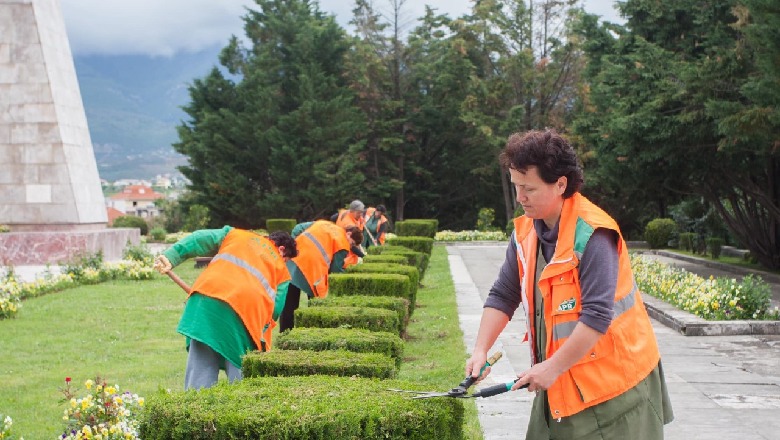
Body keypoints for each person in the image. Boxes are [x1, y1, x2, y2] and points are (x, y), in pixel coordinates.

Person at [465, 129, 673, 439]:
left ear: (561, 184)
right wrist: (480, 351)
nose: (520, 198)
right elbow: (503, 294)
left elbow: (596, 317)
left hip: (615, 387)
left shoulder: (594, 234)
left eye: (529, 189)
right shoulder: (525, 233)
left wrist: (550, 368)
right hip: (565, 378)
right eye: (516, 187)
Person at [153, 226, 298, 390]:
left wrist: (171, 257)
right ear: (281, 249)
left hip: (205, 305)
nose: (284, 263)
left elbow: (199, 238)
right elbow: (274, 311)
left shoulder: (236, 234)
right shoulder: (282, 272)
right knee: (242, 382)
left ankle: (195, 412)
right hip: (243, 319)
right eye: (286, 260)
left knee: (199, 380)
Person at [278, 220, 364, 333]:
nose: (350, 247)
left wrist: (296, 245)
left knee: (288, 304)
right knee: (316, 304)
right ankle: (312, 332)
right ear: (348, 234)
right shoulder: (342, 243)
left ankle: (285, 333)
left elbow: (298, 228)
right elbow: (336, 271)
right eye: (352, 244)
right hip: (312, 272)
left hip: (294, 261)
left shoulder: (324, 223)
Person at [333, 199, 367, 267]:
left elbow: (333, 217)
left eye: (361, 212)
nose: (360, 215)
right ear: (352, 211)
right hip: (345, 250)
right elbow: (352, 246)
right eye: (358, 213)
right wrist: (363, 256)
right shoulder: (349, 225)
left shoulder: (345, 212)